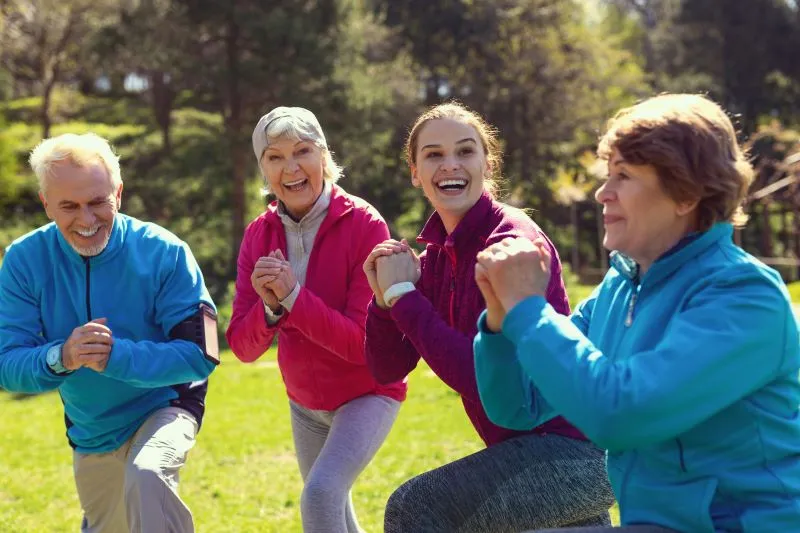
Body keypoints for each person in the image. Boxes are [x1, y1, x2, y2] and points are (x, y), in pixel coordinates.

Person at [474, 93, 800, 533]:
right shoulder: (620, 286)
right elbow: (518, 405)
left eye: (623, 176)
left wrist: (531, 310)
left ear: (686, 193)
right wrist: (499, 322)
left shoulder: (744, 297)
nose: (601, 193)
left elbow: (620, 415)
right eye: (607, 175)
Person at [363, 102, 614, 533]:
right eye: (434, 155)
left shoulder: (510, 245)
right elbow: (387, 368)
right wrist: (385, 304)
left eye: (464, 151)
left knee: (414, 509)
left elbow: (481, 378)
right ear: (414, 172)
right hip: (534, 451)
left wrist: (403, 294)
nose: (450, 165)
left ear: (487, 162)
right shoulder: (439, 258)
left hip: (575, 451)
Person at [0, 133, 219, 533]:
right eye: (69, 206)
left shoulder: (165, 252)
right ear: (46, 203)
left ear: (118, 192)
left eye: (98, 202)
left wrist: (116, 356)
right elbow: (7, 363)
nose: (86, 220)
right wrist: (61, 357)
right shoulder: (23, 260)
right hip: (92, 429)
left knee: (148, 475)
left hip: (165, 404)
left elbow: (200, 354)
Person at [225, 106, 406, 533]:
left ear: (323, 156)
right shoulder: (259, 234)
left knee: (321, 496)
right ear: (263, 169)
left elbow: (363, 345)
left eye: (302, 150)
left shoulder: (365, 224)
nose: (291, 167)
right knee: (336, 512)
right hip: (304, 403)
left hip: (367, 394)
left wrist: (292, 297)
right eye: (275, 156)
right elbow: (242, 347)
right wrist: (270, 309)